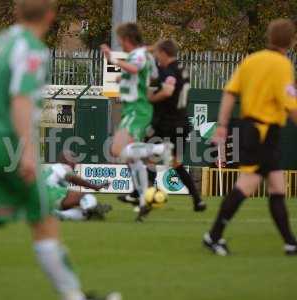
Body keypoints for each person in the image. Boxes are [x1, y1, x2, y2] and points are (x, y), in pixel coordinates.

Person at [0, 1, 121, 300]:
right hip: (6, 144)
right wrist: (28, 152)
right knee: (44, 223)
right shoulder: (32, 49)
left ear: (17, 12)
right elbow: (20, 99)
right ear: (51, 15)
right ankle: (75, 296)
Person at [203, 18, 297, 256]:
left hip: (253, 129)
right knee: (247, 185)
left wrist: (223, 124)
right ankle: (213, 236)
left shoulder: (251, 60)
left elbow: (230, 93)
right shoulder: (282, 65)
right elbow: (291, 105)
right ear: (291, 41)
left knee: (277, 187)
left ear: (269, 37)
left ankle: (290, 243)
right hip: (263, 132)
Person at [118, 40, 207, 212]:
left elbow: (167, 91)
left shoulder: (168, 70)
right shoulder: (183, 69)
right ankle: (197, 200)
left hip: (167, 122)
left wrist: (150, 98)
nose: (156, 57)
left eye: (158, 53)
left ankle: (140, 195)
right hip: (182, 122)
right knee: (175, 162)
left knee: (144, 152)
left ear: (164, 53)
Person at [100, 23, 172, 221]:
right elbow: (145, 76)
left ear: (126, 39)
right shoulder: (144, 54)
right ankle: (143, 200)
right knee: (133, 159)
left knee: (116, 149)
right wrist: (121, 80)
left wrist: (113, 58)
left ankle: (158, 150)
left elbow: (134, 68)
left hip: (136, 110)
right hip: (135, 109)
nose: (120, 44)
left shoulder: (138, 55)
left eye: (120, 40)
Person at [45, 151, 112, 222]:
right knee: (85, 196)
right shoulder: (62, 166)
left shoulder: (51, 169)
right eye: (74, 159)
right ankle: (91, 208)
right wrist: (95, 187)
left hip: (40, 199)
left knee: (80, 211)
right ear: (68, 159)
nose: (75, 162)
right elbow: (72, 178)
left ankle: (59, 215)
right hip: (49, 192)